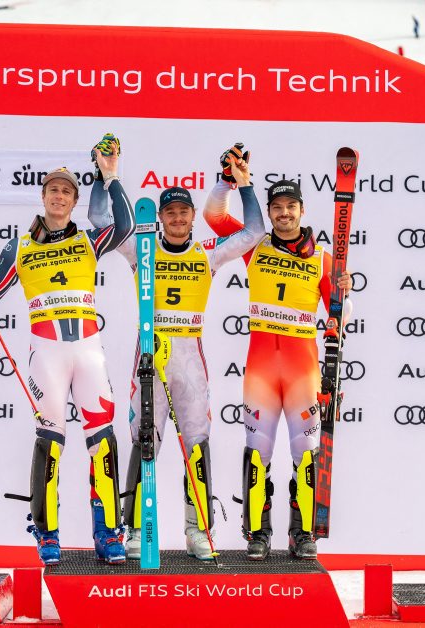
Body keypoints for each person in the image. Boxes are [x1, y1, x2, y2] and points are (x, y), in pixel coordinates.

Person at [0, 135, 136, 565]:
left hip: (88, 352)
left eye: (66, 191)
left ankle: (108, 533)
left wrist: (110, 175)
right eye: (53, 190)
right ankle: (47, 535)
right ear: (43, 197)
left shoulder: (88, 240)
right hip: (46, 354)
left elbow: (124, 227)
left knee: (102, 440)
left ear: (74, 201)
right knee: (50, 440)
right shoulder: (21, 247)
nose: (59, 196)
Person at [88, 143, 264, 560]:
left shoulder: (208, 252)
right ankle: (134, 530)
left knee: (197, 442)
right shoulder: (142, 246)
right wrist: (104, 175)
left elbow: (255, 233)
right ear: (161, 217)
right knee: (143, 440)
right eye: (171, 213)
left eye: (184, 212)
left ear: (191, 215)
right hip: (150, 352)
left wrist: (243, 185)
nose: (178, 219)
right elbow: (100, 220)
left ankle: (198, 530)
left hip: (189, 354)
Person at [204, 172, 353, 561]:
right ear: (269, 212)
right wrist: (229, 182)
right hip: (262, 370)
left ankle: (303, 533)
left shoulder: (323, 259)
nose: (284, 213)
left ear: (302, 210)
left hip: (302, 369)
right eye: (277, 208)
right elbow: (214, 217)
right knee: (258, 452)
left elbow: (341, 314)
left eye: (291, 207)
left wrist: (344, 295)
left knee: (306, 454)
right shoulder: (255, 245)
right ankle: (257, 532)